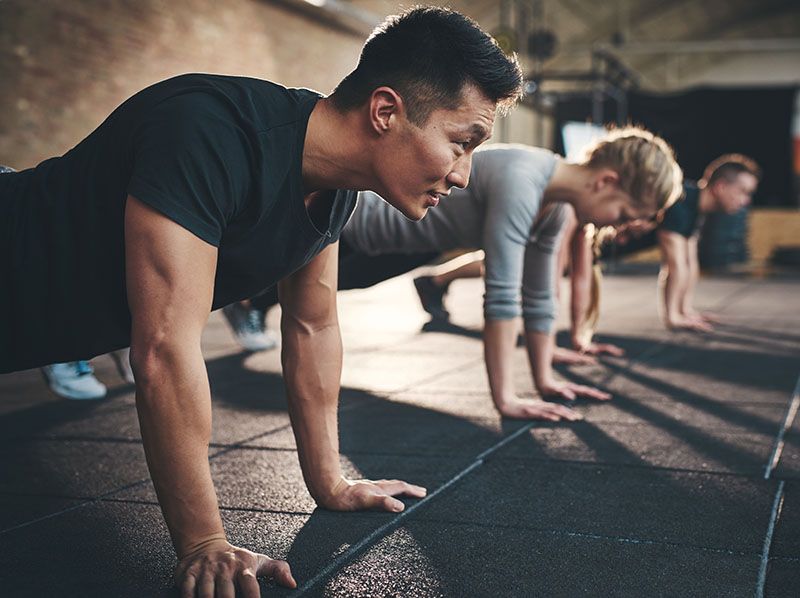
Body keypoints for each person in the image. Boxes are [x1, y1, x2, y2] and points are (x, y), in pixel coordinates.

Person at [0, 7, 523, 596]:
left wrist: (330, 482)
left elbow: (312, 326)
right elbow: (165, 348)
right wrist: (203, 544)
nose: (464, 176)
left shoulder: (334, 193)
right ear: (385, 111)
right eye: (461, 143)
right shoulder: (212, 131)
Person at [244, 127, 684, 422]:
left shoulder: (558, 206)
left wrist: (545, 377)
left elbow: (539, 296)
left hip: (408, 246)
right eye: (624, 213)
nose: (617, 226)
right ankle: (243, 295)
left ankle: (252, 298)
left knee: (338, 285)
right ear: (606, 181)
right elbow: (503, 295)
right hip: (354, 225)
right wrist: (506, 400)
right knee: (273, 282)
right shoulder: (523, 178)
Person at [567, 153, 761, 345]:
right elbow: (674, 265)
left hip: (599, 245)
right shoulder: (681, 200)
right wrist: (673, 317)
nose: (746, 200)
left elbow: (690, 263)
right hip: (595, 238)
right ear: (720, 187)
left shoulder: (695, 207)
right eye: (743, 191)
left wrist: (686, 311)